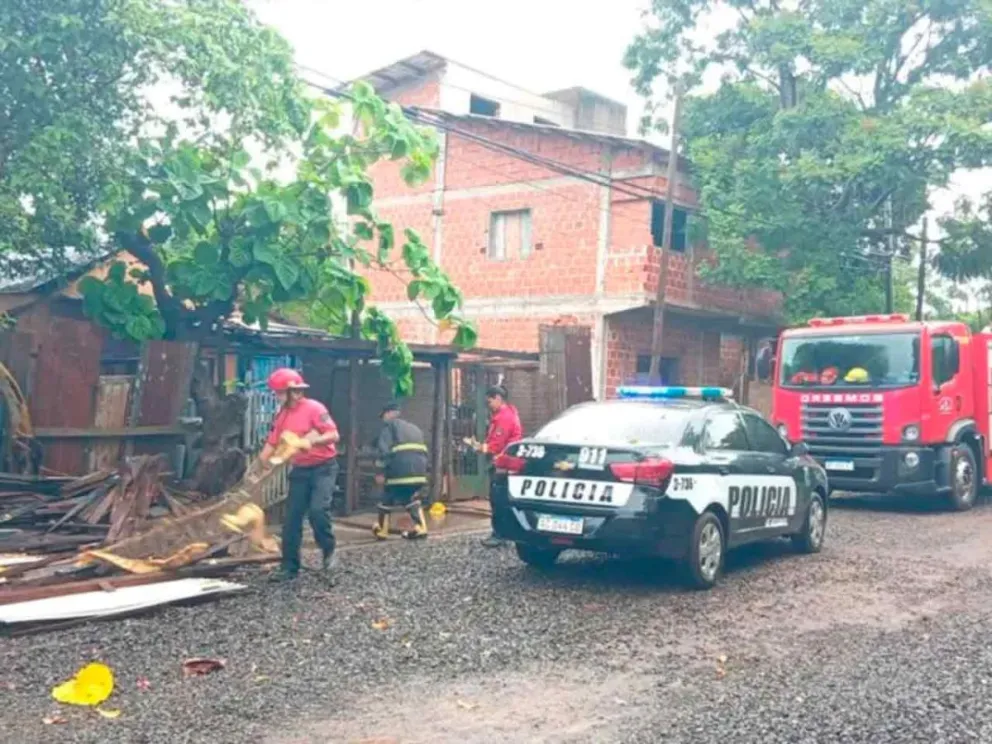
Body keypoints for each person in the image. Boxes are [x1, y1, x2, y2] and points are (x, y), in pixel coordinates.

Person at [258, 368, 340, 583]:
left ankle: (329, 550)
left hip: (323, 467)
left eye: (279, 393)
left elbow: (333, 434)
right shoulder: (282, 415)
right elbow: (272, 442)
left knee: (318, 511)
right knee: (291, 519)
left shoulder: (315, 408)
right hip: (300, 470)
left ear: (293, 392)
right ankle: (289, 566)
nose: (277, 396)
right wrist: (260, 464)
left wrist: (311, 441)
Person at [465, 385, 522, 548]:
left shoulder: (504, 417)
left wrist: (478, 447)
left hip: (502, 465)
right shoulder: (507, 414)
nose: (489, 405)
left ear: (498, 398)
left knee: (498, 501)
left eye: (490, 401)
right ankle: (504, 533)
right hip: (506, 464)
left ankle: (499, 535)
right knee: (502, 500)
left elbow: (496, 445)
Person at [370, 402, 430, 540]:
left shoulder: (389, 428)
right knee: (408, 498)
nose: (383, 419)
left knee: (386, 497)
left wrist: (380, 472)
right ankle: (421, 528)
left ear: (389, 413)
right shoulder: (414, 428)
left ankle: (382, 530)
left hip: (400, 474)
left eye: (383, 416)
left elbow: (384, 452)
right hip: (419, 474)